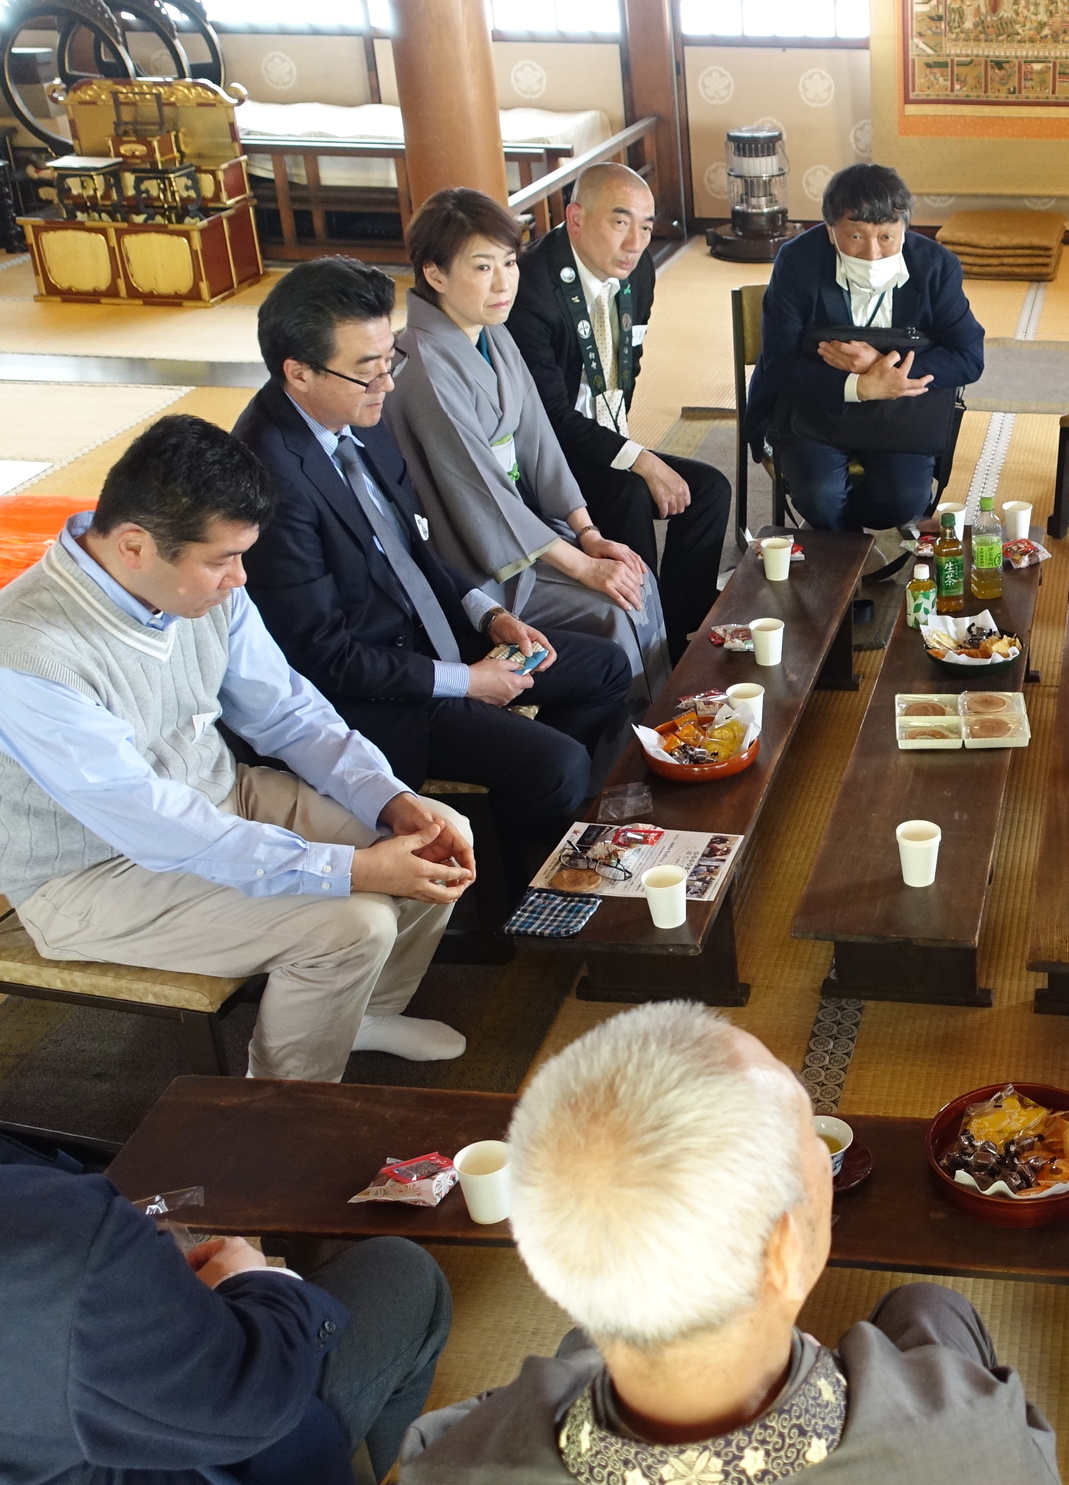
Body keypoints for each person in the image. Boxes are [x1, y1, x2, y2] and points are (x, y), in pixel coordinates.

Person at [0, 416, 479, 1081]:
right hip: (92, 875)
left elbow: (287, 711)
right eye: (223, 558)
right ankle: (269, 1116)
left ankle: (360, 1012)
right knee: (355, 922)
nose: (240, 577)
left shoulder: (201, 585)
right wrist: (352, 869)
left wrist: (390, 799)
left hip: (219, 798)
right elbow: (156, 824)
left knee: (436, 831)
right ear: (135, 545)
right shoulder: (28, 651)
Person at [399, 1002, 1059, 1484]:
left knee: (580, 1350)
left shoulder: (449, 1461)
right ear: (781, 1249)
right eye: (808, 1147)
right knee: (929, 1305)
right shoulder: (970, 1432)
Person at [237, 256, 633, 910]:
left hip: (434, 638)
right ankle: (523, 898)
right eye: (367, 368)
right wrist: (468, 684)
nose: (387, 384)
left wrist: (485, 616)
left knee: (606, 667)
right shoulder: (268, 478)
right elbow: (323, 657)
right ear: (297, 372)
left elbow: (410, 548)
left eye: (388, 358)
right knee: (556, 764)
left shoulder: (361, 416)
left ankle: (520, 839)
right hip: (373, 696)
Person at [1, 1131, 451, 1485]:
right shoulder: (53, 1239)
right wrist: (249, 1279)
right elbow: (256, 1396)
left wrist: (145, 1286)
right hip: (191, 1451)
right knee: (405, 1270)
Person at [385, 187, 669, 697]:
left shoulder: (491, 332)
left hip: (527, 528)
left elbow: (539, 440)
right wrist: (583, 567)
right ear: (434, 273)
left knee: (634, 576)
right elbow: (479, 494)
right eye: (482, 267)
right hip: (476, 558)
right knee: (616, 602)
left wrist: (588, 534)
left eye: (510, 263)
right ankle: (632, 743)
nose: (504, 283)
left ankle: (661, 715)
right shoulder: (424, 369)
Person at [509, 162, 731, 654]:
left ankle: (677, 629)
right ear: (576, 218)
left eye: (647, 227)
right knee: (630, 492)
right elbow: (549, 419)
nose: (635, 243)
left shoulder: (639, 270)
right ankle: (642, 639)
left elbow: (628, 361)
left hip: (602, 435)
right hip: (546, 456)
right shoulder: (532, 290)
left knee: (710, 490)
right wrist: (639, 458)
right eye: (620, 221)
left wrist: (629, 449)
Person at [742, 163, 986, 532]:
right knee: (819, 499)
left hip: (900, 415)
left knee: (905, 501)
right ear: (830, 230)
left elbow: (969, 357)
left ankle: (840, 545)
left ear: (905, 227)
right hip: (813, 409)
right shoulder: (797, 262)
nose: (873, 253)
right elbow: (778, 363)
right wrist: (858, 386)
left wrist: (882, 367)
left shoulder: (936, 267)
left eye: (887, 237)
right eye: (856, 236)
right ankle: (838, 546)